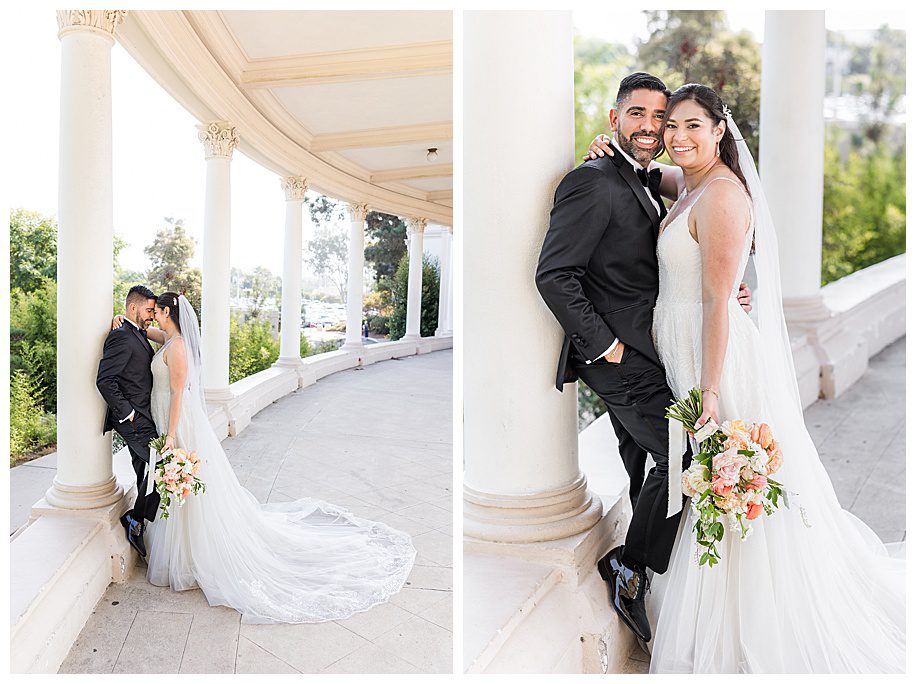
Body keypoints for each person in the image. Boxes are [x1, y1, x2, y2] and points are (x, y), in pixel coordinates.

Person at [621, 83, 903, 673]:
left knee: (724, 491)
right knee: (705, 490)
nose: (677, 136)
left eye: (693, 126)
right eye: (671, 126)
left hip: (713, 361)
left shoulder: (722, 195)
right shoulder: (687, 184)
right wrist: (611, 148)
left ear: (721, 131)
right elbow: (646, 180)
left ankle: (742, 630)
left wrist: (712, 393)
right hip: (685, 347)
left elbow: (720, 300)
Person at [536, 73, 751, 645]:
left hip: (656, 352)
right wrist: (606, 346)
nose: (652, 127)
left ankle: (649, 576)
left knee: (647, 470)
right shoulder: (592, 181)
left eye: (663, 118)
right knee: (684, 455)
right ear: (615, 120)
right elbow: (555, 275)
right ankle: (630, 566)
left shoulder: (651, 179)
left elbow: (693, 251)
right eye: (639, 114)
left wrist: (728, 288)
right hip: (619, 359)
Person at [109, 292, 416, 623]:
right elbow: (142, 333)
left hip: (176, 421)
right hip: (164, 416)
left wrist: (171, 436)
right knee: (179, 487)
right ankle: (180, 553)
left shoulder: (179, 347)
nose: (152, 316)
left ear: (169, 311)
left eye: (157, 311)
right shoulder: (168, 338)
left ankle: (194, 556)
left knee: (188, 485)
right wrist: (122, 321)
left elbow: (178, 393)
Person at [97, 285, 160, 556]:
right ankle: (135, 519)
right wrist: (127, 412)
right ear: (133, 308)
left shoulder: (134, 331)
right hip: (133, 418)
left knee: (144, 470)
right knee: (162, 466)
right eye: (149, 310)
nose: (152, 316)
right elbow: (105, 380)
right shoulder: (122, 336)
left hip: (145, 416)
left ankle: (141, 523)